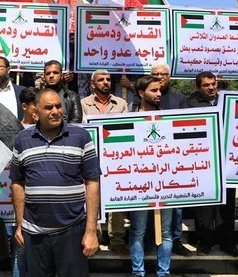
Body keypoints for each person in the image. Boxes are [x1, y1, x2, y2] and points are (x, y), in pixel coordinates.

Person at [11, 89, 101, 277]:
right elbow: (17, 183)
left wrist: (91, 230)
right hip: (34, 233)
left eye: (58, 106)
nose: (55, 111)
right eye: (48, 107)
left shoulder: (81, 137)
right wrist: (19, 225)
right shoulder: (22, 140)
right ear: (36, 113)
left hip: (72, 231)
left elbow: (92, 182)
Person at [188, 72, 238, 257]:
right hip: (202, 161)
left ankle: (227, 242)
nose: (211, 88)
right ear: (198, 87)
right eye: (206, 85)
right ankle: (205, 241)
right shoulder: (190, 104)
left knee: (226, 203)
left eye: (213, 84)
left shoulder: (228, 101)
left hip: (226, 160)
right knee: (204, 205)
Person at [80, 69, 129, 256]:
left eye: (108, 79)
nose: (106, 82)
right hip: (92, 156)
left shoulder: (122, 103)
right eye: (101, 80)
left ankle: (117, 238)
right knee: (93, 197)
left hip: (117, 158)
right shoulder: (84, 103)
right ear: (93, 84)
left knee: (117, 197)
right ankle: (96, 236)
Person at [128, 76, 173, 277]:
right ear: (141, 93)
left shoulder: (168, 119)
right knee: (138, 230)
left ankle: (163, 272)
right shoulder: (128, 118)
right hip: (139, 185)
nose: (159, 94)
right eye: (154, 90)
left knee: (166, 233)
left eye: (160, 90)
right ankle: (138, 272)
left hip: (166, 184)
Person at [148, 63, 191, 257]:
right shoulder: (145, 98)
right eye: (155, 75)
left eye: (162, 74)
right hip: (148, 160)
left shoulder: (179, 98)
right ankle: (151, 240)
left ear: (169, 76)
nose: (159, 78)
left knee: (176, 206)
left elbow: (185, 125)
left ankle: (176, 240)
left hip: (174, 160)